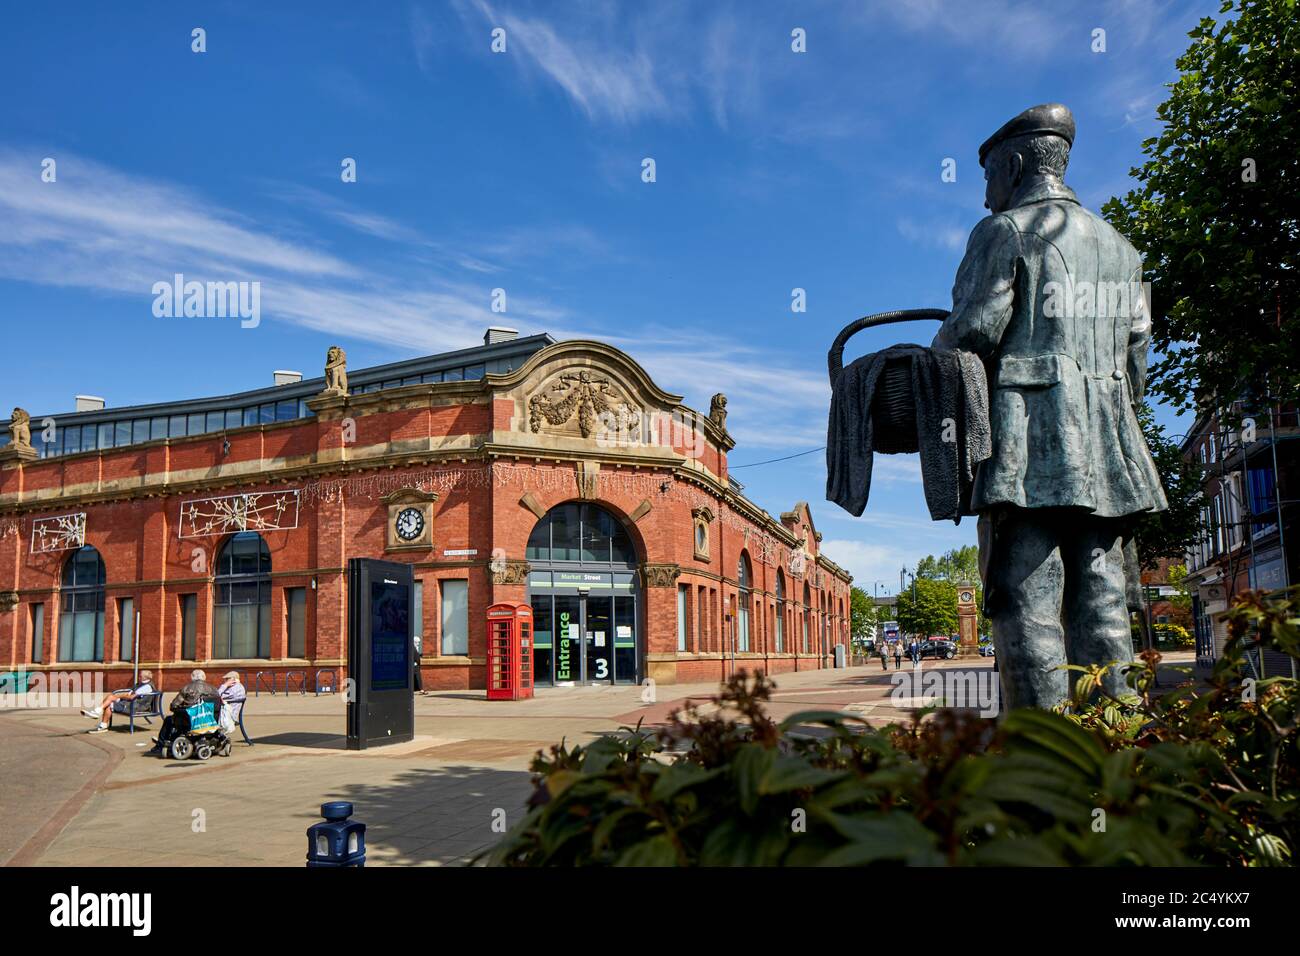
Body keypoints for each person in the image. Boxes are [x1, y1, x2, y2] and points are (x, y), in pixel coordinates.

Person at [931, 103, 1167, 709]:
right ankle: (1115, 740)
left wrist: (926, 358)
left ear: (1012, 166)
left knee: (1025, 597)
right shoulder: (1123, 250)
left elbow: (974, 331)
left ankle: (1042, 755)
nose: (986, 198)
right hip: (1110, 447)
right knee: (1102, 596)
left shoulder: (1004, 232)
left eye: (988, 180)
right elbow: (1137, 360)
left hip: (1028, 440)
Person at [150, 669, 219, 753]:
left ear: (192, 677)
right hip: (210, 720)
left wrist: (179, 707)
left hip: (191, 720)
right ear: (204, 677)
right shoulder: (214, 689)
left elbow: (173, 705)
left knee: (169, 720)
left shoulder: (187, 688)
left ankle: (160, 745)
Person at [82, 670, 154, 733]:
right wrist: (122, 696)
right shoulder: (139, 684)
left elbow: (131, 697)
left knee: (110, 702)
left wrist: (119, 696)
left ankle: (100, 718)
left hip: (135, 706)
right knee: (110, 697)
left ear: (145, 678)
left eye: (140, 676)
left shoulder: (146, 687)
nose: (138, 677)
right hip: (129, 703)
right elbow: (129, 694)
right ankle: (98, 715)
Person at [217, 671, 246, 735]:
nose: (225, 681)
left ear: (233, 680)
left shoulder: (234, 688)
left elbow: (217, 695)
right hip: (228, 712)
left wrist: (225, 685)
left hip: (228, 715)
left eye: (227, 679)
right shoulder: (238, 687)